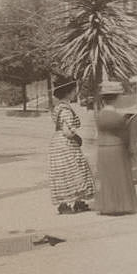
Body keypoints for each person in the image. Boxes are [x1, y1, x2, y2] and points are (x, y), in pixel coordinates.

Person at [48, 80, 94, 215]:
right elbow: (67, 131)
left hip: (57, 142)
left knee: (62, 172)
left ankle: (72, 202)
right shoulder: (66, 110)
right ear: (68, 92)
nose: (75, 93)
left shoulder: (57, 107)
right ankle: (71, 203)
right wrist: (76, 136)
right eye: (74, 91)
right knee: (75, 170)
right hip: (66, 143)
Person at [94, 80, 137, 216]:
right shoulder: (117, 116)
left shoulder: (99, 115)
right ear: (117, 97)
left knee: (107, 179)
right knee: (120, 177)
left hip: (102, 149)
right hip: (116, 148)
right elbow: (124, 135)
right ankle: (120, 206)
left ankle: (108, 206)